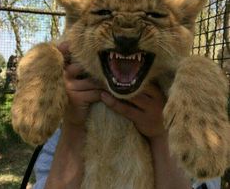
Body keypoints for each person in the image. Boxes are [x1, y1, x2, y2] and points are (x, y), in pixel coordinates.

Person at [33, 43, 221, 189]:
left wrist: (160, 135)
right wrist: (73, 125)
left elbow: (206, 170)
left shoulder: (192, 102)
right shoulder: (61, 128)